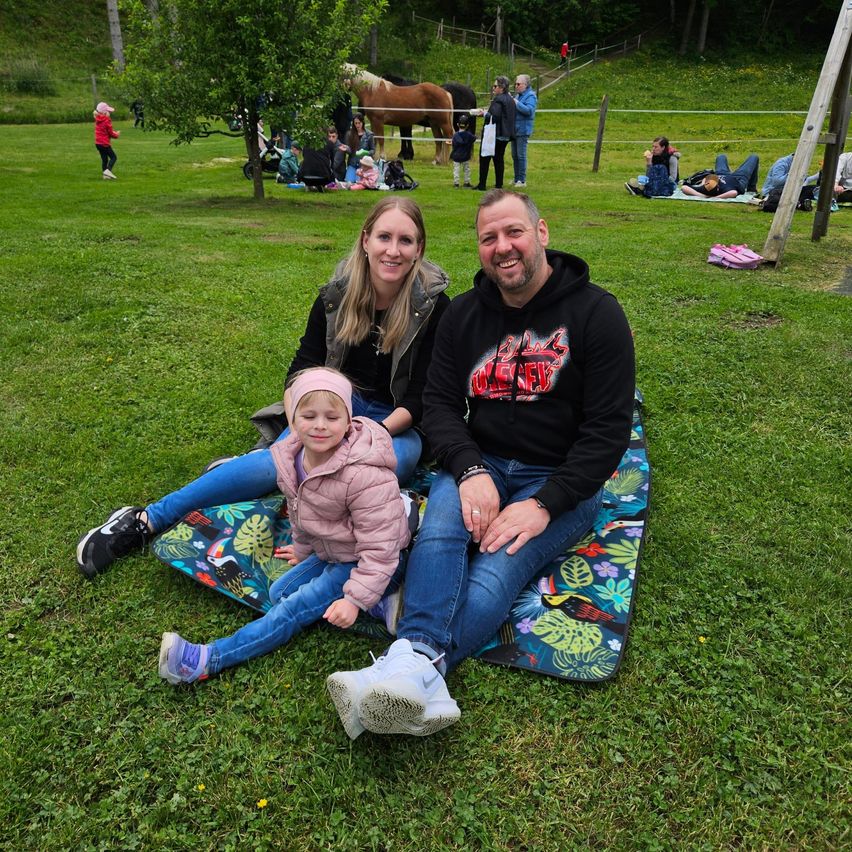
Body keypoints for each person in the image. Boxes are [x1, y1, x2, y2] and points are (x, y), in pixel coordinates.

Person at [327, 189, 636, 737]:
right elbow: (441, 405)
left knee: (495, 570)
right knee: (440, 538)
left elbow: (607, 433)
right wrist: (469, 470)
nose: (502, 247)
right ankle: (420, 676)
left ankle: (409, 664)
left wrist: (545, 504)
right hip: (480, 460)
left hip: (559, 477)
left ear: (542, 233)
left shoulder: (598, 314)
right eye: (488, 237)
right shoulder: (466, 314)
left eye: (514, 231)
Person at [76, 198, 451, 580]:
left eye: (405, 240)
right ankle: (146, 519)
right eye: (384, 237)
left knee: (393, 463)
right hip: (334, 404)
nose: (393, 250)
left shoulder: (435, 309)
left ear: (419, 248)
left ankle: (250, 475)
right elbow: (301, 372)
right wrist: (302, 431)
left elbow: (424, 395)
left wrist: (371, 435)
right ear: (365, 239)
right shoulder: (335, 297)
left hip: (396, 421)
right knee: (282, 461)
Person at [158, 368, 412, 693]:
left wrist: (354, 599)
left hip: (369, 559)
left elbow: (382, 548)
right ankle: (385, 602)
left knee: (293, 608)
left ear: (349, 421)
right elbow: (300, 509)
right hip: (337, 550)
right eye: (308, 415)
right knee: (279, 592)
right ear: (292, 418)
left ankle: (206, 659)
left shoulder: (365, 476)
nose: (320, 425)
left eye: (332, 417)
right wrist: (304, 548)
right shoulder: (292, 456)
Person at [471, 77, 515, 191]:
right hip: (505, 135)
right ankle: (499, 184)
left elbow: (494, 116)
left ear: (502, 88)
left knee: (485, 157)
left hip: (495, 133)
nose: (493, 88)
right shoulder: (510, 99)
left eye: (495, 86)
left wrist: (483, 113)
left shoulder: (498, 99)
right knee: (499, 159)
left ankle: (482, 184)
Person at [681, 153, 759, 199]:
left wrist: (702, 195)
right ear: (718, 187)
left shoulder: (703, 188)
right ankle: (751, 188)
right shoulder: (725, 189)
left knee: (721, 156)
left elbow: (684, 188)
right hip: (738, 179)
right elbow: (734, 193)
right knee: (754, 157)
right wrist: (715, 198)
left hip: (722, 174)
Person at [511, 75, 538, 188]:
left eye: (518, 84)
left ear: (525, 85)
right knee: (514, 155)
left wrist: (516, 103)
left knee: (521, 155)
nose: (516, 86)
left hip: (523, 130)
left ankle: (522, 180)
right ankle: (516, 178)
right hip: (515, 130)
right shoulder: (518, 95)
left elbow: (529, 111)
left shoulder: (531, 96)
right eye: (515, 84)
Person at [345, 113, 375, 183]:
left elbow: (373, 150)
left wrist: (366, 152)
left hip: (364, 165)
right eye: (356, 123)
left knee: (359, 181)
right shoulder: (349, 134)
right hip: (352, 163)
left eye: (359, 123)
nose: (357, 125)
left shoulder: (369, 135)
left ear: (363, 122)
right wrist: (346, 149)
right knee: (349, 181)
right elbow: (349, 151)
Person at [93, 101, 120, 180]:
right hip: (104, 143)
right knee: (113, 157)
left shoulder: (98, 119)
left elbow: (105, 131)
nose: (109, 113)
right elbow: (111, 133)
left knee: (104, 159)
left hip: (98, 143)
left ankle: (105, 175)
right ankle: (108, 171)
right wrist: (117, 134)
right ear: (104, 113)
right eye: (108, 111)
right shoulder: (106, 121)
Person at [450, 115, 476, 188]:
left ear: (458, 124)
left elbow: (453, 144)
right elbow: (474, 139)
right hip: (465, 156)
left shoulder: (455, 135)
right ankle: (466, 182)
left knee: (456, 170)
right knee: (466, 170)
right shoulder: (469, 135)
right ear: (467, 125)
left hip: (456, 156)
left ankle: (456, 183)